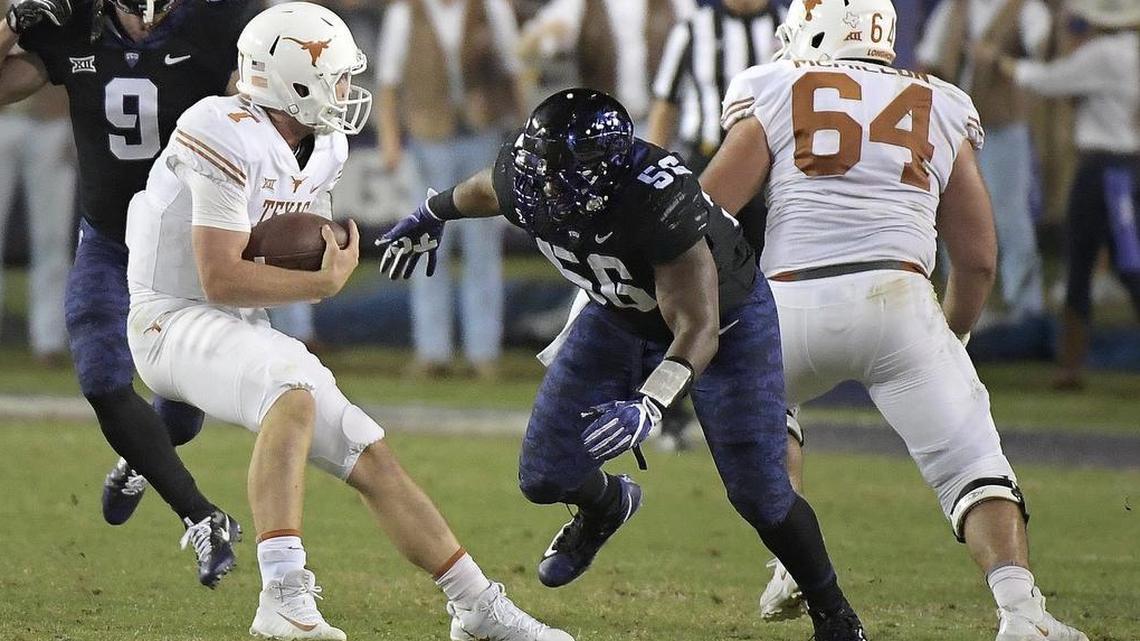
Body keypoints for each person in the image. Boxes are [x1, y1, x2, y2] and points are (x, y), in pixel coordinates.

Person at [125, 5, 572, 640]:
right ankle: (281, 593)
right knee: (292, 388)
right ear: (289, 80)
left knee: (366, 447)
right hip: (170, 318)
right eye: (334, 78)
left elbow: (280, 253)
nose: (345, 93)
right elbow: (220, 275)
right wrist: (324, 281)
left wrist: (313, 271)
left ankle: (475, 604)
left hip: (240, 323)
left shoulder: (325, 143)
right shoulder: (218, 128)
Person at [379, 88, 869, 641]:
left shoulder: (657, 196)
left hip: (726, 326)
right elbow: (482, 190)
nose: (543, 187)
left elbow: (697, 328)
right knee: (545, 473)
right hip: (617, 316)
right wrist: (430, 213)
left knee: (761, 493)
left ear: (605, 171)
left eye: (559, 175)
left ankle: (834, 613)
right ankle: (606, 506)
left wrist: (651, 402)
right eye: (538, 171)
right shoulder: (530, 176)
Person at [699, 1, 1088, 639]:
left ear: (816, 28)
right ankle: (1022, 615)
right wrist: (952, 340)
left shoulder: (773, 86)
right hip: (900, 300)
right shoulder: (940, 102)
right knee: (974, 465)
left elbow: (707, 215)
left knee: (768, 411)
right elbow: (979, 258)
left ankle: (789, 557)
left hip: (789, 303)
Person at [0, 0, 261, 586]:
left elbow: (260, 117)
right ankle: (202, 517)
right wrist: (15, 24)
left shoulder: (218, 22)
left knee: (183, 408)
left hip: (186, 247)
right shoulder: (71, 21)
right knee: (100, 375)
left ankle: (138, 458)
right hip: (111, 241)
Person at [979, 0, 1140, 391]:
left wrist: (1001, 63)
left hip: (1106, 168)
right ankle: (1070, 366)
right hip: (1120, 167)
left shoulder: (1105, 55)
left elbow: (1051, 80)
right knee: (1101, 262)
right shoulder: (1127, 52)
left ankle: (1071, 366)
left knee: (1113, 265)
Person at [376, 0, 528, 380]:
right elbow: (388, 83)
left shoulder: (490, 9)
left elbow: (515, 68)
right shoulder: (405, 13)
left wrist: (527, 130)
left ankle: (483, 351)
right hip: (430, 137)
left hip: (481, 134)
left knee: (482, 248)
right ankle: (432, 350)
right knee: (426, 244)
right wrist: (390, 139)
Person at [916, 0, 1050, 324]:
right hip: (957, 131)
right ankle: (963, 310)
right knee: (954, 216)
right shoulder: (955, 8)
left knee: (1010, 216)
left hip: (1003, 126)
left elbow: (1041, 57)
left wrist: (998, 60)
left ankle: (1026, 307)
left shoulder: (1027, 9)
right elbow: (928, 59)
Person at [0, 84, 73, 365]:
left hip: (50, 118)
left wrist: (73, 120)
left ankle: (49, 339)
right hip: (4, 115)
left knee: (53, 237)